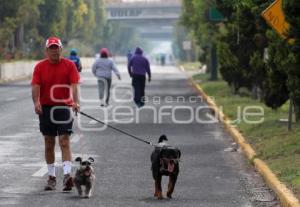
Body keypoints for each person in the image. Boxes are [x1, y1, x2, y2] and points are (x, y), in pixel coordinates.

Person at [31, 37, 80, 191]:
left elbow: (74, 85)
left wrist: (75, 102)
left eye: (56, 47)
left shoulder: (69, 65)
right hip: (46, 109)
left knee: (64, 140)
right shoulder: (40, 67)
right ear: (46, 50)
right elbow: (35, 86)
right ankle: (52, 177)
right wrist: (36, 102)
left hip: (64, 108)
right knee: (49, 142)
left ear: (60, 49)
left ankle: (67, 176)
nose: (54, 50)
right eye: (51, 48)